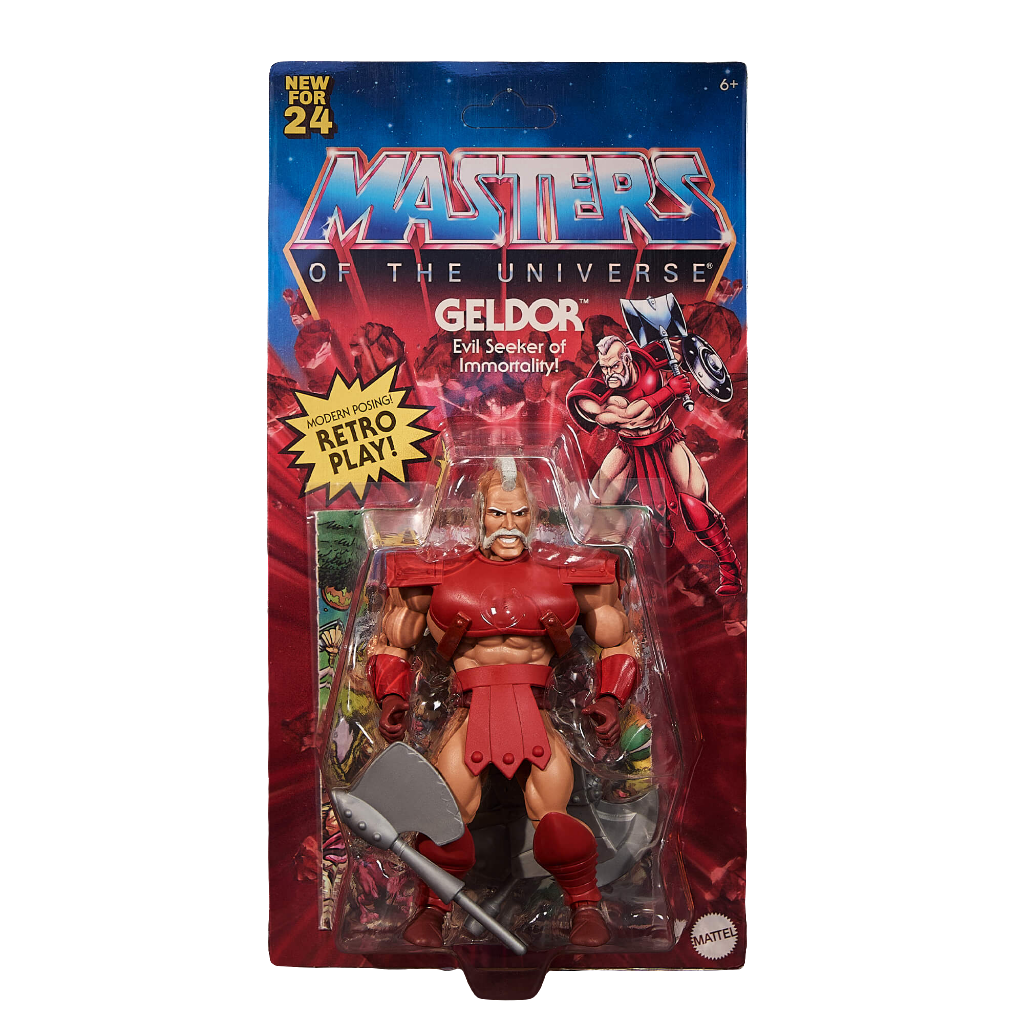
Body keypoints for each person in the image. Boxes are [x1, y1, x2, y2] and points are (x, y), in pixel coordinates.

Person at [366, 458, 639, 947]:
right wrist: (391, 697)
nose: (508, 525)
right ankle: (431, 911)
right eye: (497, 513)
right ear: (478, 514)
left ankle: (585, 906)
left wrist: (611, 698)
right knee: (446, 818)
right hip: (469, 711)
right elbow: (392, 643)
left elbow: (617, 640)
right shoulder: (434, 572)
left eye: (519, 514)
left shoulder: (570, 571)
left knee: (556, 823)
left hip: (536, 710)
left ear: (534, 514)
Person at [566, 333, 742, 595]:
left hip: (665, 438)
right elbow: (630, 419)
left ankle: (730, 567)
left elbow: (693, 352)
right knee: (599, 502)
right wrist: (670, 391)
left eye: (614, 366)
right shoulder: (593, 389)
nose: (609, 373)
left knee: (695, 503)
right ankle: (606, 574)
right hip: (628, 446)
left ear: (626, 358)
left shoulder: (651, 355)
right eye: (604, 367)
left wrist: (699, 364)